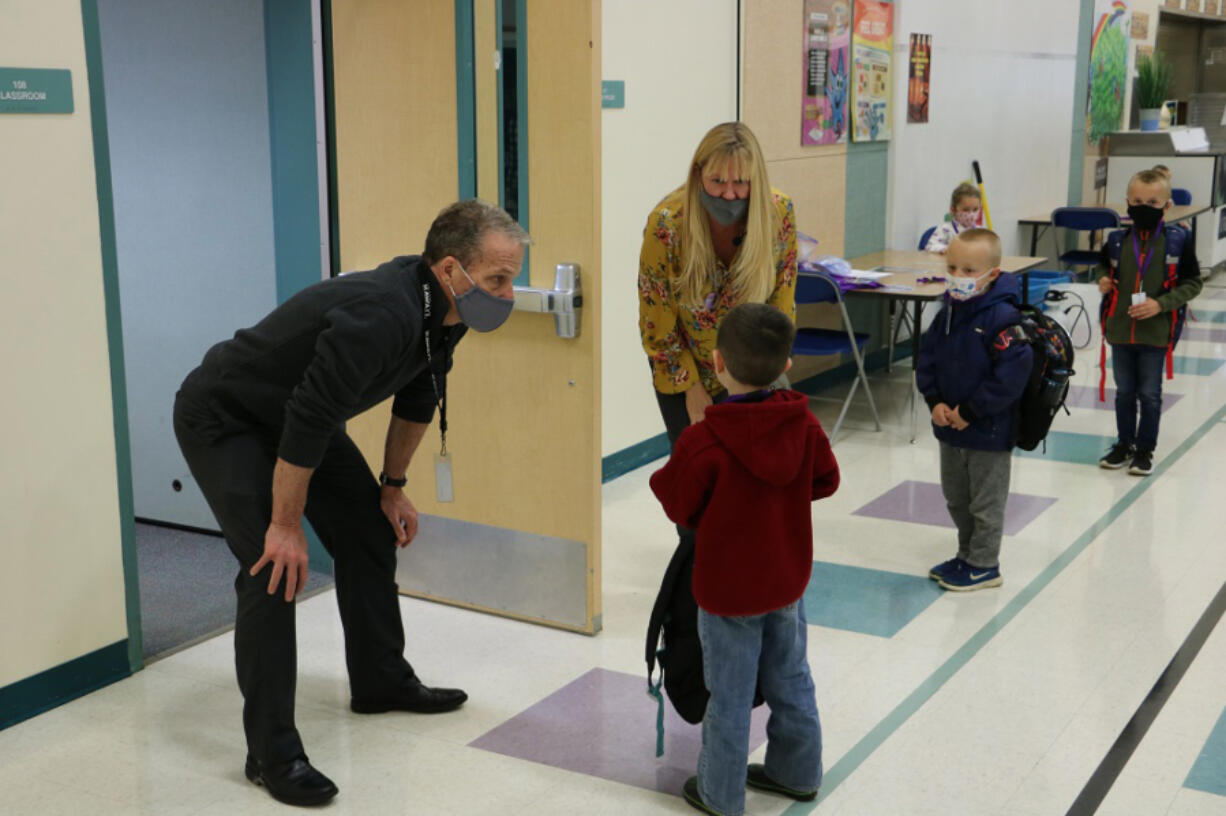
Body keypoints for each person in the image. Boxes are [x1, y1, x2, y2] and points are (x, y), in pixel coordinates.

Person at [173, 199, 528, 806]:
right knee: (271, 569)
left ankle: (381, 680)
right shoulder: (380, 314)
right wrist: (285, 524)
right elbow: (310, 419)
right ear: (451, 269)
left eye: (511, 278)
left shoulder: (446, 310)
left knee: (368, 529)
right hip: (225, 417)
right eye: (497, 279)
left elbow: (419, 392)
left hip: (298, 417)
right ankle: (272, 754)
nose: (509, 293)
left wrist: (392, 488)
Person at [649, 303, 839, 816]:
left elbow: (674, 500)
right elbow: (827, 480)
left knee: (729, 694)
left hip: (728, 589)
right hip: (787, 578)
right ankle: (796, 772)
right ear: (787, 365)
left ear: (715, 363)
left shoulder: (704, 439)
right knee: (791, 675)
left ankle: (720, 792)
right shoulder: (804, 425)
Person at [638, 121, 798, 556]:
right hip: (684, 370)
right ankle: (695, 608)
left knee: (758, 491)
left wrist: (767, 376)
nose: (729, 193)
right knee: (700, 496)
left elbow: (781, 300)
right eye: (718, 180)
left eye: (742, 182)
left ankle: (750, 587)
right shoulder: (667, 223)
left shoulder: (779, 212)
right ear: (697, 174)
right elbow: (657, 318)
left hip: (756, 370)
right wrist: (692, 390)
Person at [917, 229, 1032, 592]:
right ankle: (965, 554)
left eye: (968, 270)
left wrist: (970, 410)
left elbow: (1011, 376)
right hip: (949, 427)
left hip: (988, 429)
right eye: (952, 267)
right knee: (957, 496)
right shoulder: (948, 312)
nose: (958, 277)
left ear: (992, 275)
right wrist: (934, 401)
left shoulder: (1003, 316)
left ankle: (984, 564)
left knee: (985, 501)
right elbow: (927, 359)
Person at [1096, 169, 1202, 476]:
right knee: (1124, 392)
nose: (1144, 207)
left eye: (1153, 202)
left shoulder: (1179, 242)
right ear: (1127, 202)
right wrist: (1103, 278)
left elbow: (1193, 283)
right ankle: (1123, 444)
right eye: (1138, 201)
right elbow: (1104, 266)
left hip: (1156, 334)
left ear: (1167, 206)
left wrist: (1160, 304)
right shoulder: (1116, 240)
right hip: (1119, 331)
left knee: (1150, 395)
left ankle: (1145, 449)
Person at [923, 182, 982, 254]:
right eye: (966, 210)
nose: (971, 214)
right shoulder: (946, 229)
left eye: (975, 209)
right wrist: (946, 249)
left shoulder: (980, 232)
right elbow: (930, 247)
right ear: (953, 210)